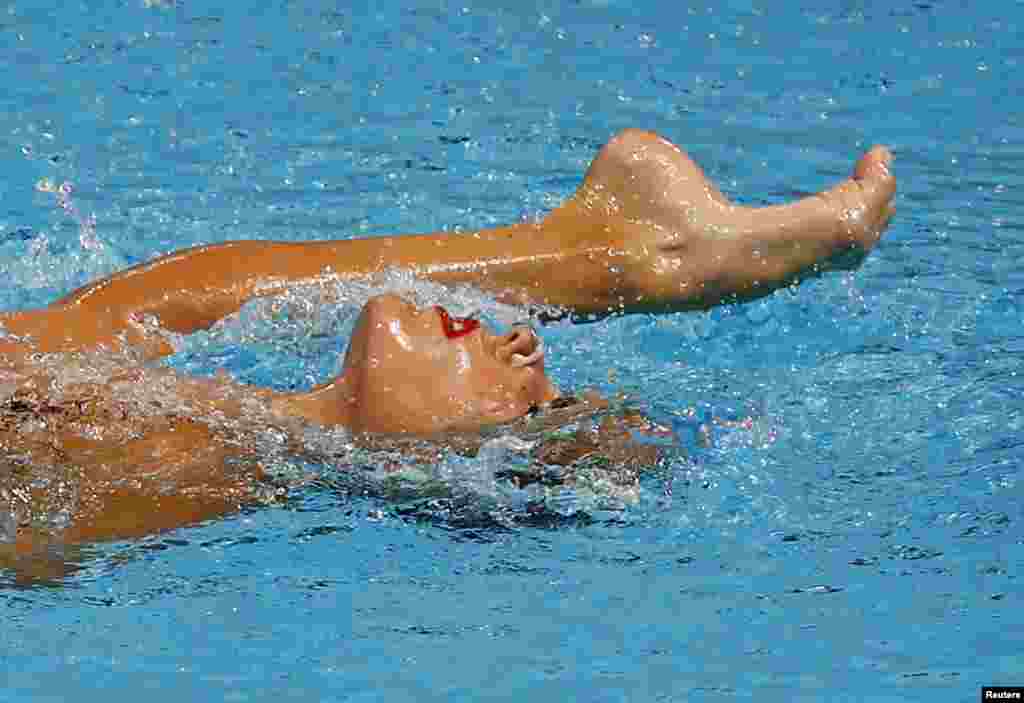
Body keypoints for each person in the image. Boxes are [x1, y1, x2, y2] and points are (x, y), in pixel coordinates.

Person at [0, 129, 896, 566]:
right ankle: (616, 251)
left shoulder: (199, 464)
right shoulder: (232, 429)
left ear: (460, 456)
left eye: (539, 398)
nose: (522, 343)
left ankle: (621, 254)